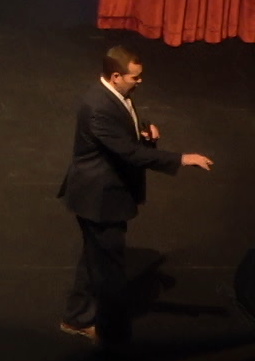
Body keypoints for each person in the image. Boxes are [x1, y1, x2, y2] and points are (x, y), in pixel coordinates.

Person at [58, 44, 212, 344]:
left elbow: (125, 135)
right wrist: (181, 158)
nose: (140, 82)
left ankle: (76, 317)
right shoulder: (98, 107)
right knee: (110, 272)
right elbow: (129, 153)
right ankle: (111, 334)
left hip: (100, 195)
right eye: (135, 77)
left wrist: (143, 134)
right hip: (99, 199)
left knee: (94, 259)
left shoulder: (114, 96)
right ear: (116, 76)